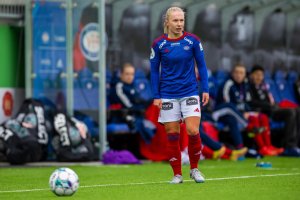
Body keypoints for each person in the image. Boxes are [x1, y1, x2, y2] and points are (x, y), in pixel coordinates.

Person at [150, 7, 209, 184]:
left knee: (192, 130)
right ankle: (177, 174)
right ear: (167, 22)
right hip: (167, 94)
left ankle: (194, 169)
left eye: (181, 20)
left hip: (189, 91)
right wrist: (156, 95)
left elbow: (202, 66)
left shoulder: (193, 41)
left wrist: (204, 89)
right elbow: (154, 71)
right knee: (172, 132)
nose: (179, 24)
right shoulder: (158, 44)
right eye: (175, 21)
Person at [216, 64, 283, 156]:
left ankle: (267, 146)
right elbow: (227, 105)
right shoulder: (228, 84)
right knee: (237, 118)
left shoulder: (244, 86)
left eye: (241, 73)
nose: (239, 75)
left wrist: (249, 112)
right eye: (236, 72)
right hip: (223, 113)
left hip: (240, 114)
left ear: (244, 75)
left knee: (262, 117)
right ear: (232, 74)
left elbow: (246, 103)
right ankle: (249, 146)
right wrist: (243, 113)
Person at [248, 65, 300, 156]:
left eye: (261, 75)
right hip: (265, 112)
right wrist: (269, 105)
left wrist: (274, 104)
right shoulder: (248, 87)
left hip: (273, 109)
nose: (259, 77)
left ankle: (295, 145)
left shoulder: (263, 87)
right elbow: (251, 102)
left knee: (298, 111)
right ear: (251, 75)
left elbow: (271, 100)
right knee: (290, 113)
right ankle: (289, 146)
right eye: (256, 74)